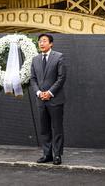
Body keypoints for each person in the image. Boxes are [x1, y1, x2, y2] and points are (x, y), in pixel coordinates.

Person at [30, 33, 66, 165]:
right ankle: (47, 154)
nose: (41, 43)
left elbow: (61, 78)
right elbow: (33, 79)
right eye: (40, 41)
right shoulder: (35, 59)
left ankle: (57, 155)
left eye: (44, 41)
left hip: (55, 99)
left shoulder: (59, 57)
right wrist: (39, 92)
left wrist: (50, 92)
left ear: (51, 43)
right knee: (44, 128)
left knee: (57, 128)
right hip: (40, 100)